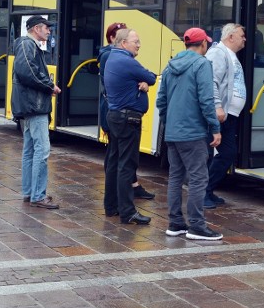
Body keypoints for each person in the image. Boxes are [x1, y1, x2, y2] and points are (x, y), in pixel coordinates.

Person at [157, 28, 223, 240]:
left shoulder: (170, 65)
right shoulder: (202, 64)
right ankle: (196, 226)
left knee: (176, 177)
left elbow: (161, 101)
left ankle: (175, 223)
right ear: (203, 44)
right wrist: (215, 128)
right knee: (198, 178)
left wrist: (171, 124)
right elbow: (206, 100)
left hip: (173, 132)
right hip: (193, 132)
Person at [103, 29, 157, 225]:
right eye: (136, 41)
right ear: (124, 43)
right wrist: (143, 82)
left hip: (116, 117)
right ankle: (128, 212)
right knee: (127, 166)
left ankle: (111, 207)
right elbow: (151, 77)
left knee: (114, 163)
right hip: (128, 120)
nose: (139, 44)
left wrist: (139, 82)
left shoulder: (112, 58)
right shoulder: (127, 61)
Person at [12, 15, 61, 209]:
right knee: (41, 150)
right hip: (35, 106)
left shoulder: (28, 45)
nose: (49, 31)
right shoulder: (27, 44)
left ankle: (30, 193)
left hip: (31, 106)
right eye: (46, 28)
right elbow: (27, 72)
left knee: (30, 150)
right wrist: (50, 86)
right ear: (36, 29)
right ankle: (38, 195)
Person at [204, 23, 247, 209]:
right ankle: (203, 193)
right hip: (221, 114)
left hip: (230, 114)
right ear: (231, 37)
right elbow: (210, 81)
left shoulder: (232, 55)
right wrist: (217, 106)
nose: (244, 38)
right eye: (242, 35)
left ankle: (208, 190)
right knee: (213, 154)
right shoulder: (218, 53)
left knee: (227, 153)